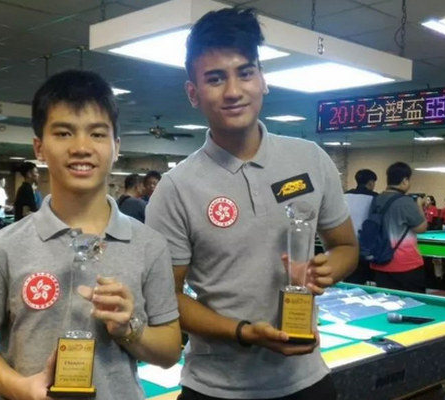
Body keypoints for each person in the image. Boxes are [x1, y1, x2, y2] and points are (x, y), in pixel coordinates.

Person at [146, 8, 358, 400]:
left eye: (245, 73)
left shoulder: (311, 159)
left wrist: (327, 270)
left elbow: (345, 246)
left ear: (263, 79)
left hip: (308, 381)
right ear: (193, 93)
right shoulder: (175, 189)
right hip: (214, 389)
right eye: (215, 78)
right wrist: (242, 332)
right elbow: (166, 297)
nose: (233, 91)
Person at [0, 70, 181, 400]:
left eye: (97, 134)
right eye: (64, 133)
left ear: (116, 147)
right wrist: (21, 389)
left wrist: (128, 328)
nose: (81, 147)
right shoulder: (1, 248)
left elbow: (170, 351)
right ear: (39, 147)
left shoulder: (151, 245)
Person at [370, 162, 427, 293]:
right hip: (405, 264)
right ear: (405, 180)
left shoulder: (376, 199)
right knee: (413, 302)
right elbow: (421, 228)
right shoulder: (405, 202)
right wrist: (419, 206)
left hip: (380, 261)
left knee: (386, 301)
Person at [344, 169, 377, 284]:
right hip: (364, 244)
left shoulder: (344, 195)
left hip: (344, 240)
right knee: (360, 278)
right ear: (371, 183)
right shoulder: (374, 198)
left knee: (347, 276)